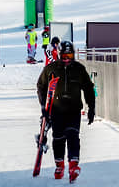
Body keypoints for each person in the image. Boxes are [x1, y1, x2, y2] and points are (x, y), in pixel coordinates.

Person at [37, 40, 95, 182]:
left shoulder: (79, 69)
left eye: (69, 56)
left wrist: (91, 107)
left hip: (74, 109)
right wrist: (44, 107)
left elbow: (88, 88)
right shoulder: (51, 69)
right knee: (58, 138)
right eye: (64, 56)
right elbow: (41, 86)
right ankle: (59, 165)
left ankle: (74, 165)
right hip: (56, 110)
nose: (66, 59)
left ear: (73, 55)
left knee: (73, 135)